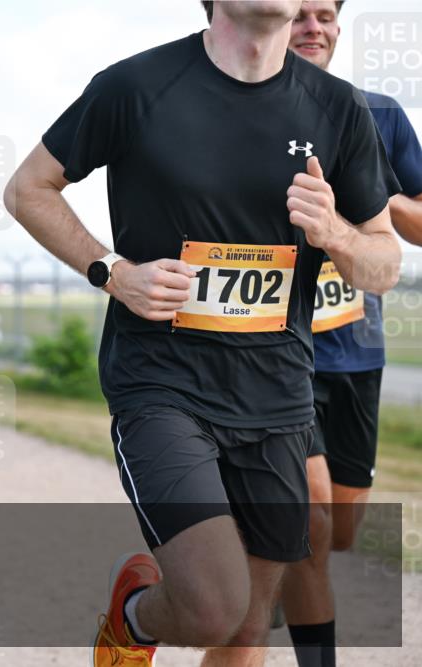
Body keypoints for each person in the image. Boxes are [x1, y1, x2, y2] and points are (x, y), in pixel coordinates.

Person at [4, 1, 402, 664]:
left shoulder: (338, 109)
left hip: (277, 397)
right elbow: (28, 189)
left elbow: (385, 261)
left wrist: (333, 232)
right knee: (212, 604)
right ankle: (135, 612)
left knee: (249, 623)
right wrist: (111, 270)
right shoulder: (135, 87)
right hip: (161, 382)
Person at [281, 3, 422, 665]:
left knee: (339, 531)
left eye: (325, 15)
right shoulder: (254, 110)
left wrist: (373, 193)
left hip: (357, 352)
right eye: (298, 14)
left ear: (338, 26)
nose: (312, 27)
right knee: (307, 521)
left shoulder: (382, 115)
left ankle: (261, 575)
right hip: (279, 352)